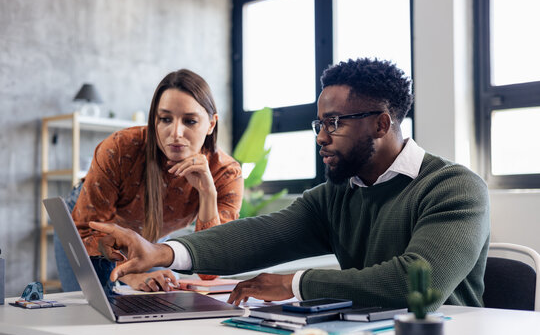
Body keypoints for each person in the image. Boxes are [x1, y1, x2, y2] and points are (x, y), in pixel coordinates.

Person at [88, 58, 490, 310]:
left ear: (381, 124)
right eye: (320, 124)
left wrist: (293, 283)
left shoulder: (453, 188)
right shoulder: (336, 195)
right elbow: (258, 236)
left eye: (335, 123)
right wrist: (161, 253)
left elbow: (417, 282)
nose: (321, 137)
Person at [68, 69, 243, 292]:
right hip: (87, 228)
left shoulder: (225, 174)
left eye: (190, 121)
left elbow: (209, 271)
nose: (176, 133)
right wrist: (131, 276)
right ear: (154, 120)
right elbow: (87, 231)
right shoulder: (120, 148)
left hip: (150, 230)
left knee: (149, 305)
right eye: (165, 119)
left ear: (210, 124)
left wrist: (208, 194)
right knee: (88, 309)